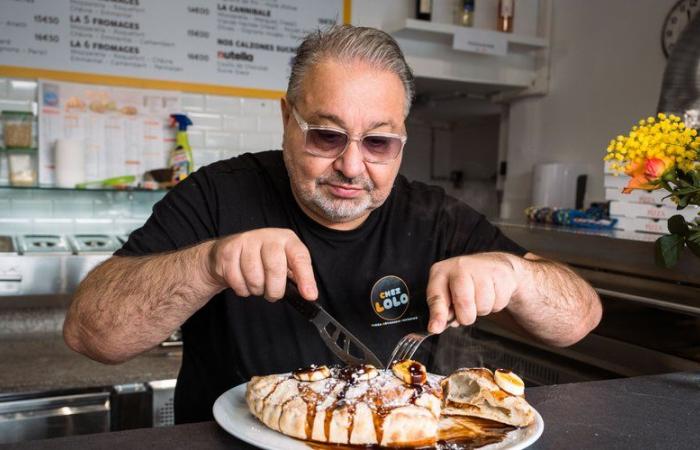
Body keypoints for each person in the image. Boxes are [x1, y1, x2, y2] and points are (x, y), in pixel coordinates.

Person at [64, 25, 602, 423]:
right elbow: (91, 334)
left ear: (402, 141)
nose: (351, 165)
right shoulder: (217, 195)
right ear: (286, 118)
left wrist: (516, 273)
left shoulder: (434, 216)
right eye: (326, 135)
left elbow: (579, 320)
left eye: (378, 142)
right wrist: (211, 262)